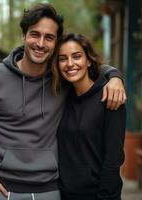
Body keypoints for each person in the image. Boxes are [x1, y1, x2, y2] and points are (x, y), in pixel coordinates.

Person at [0, 3, 126, 200]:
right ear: (24, 35)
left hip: (49, 190)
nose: (40, 43)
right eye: (35, 34)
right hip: (0, 189)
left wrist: (115, 76)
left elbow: (85, 66)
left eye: (49, 37)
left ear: (55, 43)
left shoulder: (61, 79)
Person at [51, 33, 126, 200]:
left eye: (76, 56)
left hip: (97, 195)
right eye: (63, 59)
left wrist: (105, 197)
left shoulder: (110, 96)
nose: (70, 64)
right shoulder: (61, 97)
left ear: (89, 60)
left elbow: (113, 160)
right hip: (62, 195)